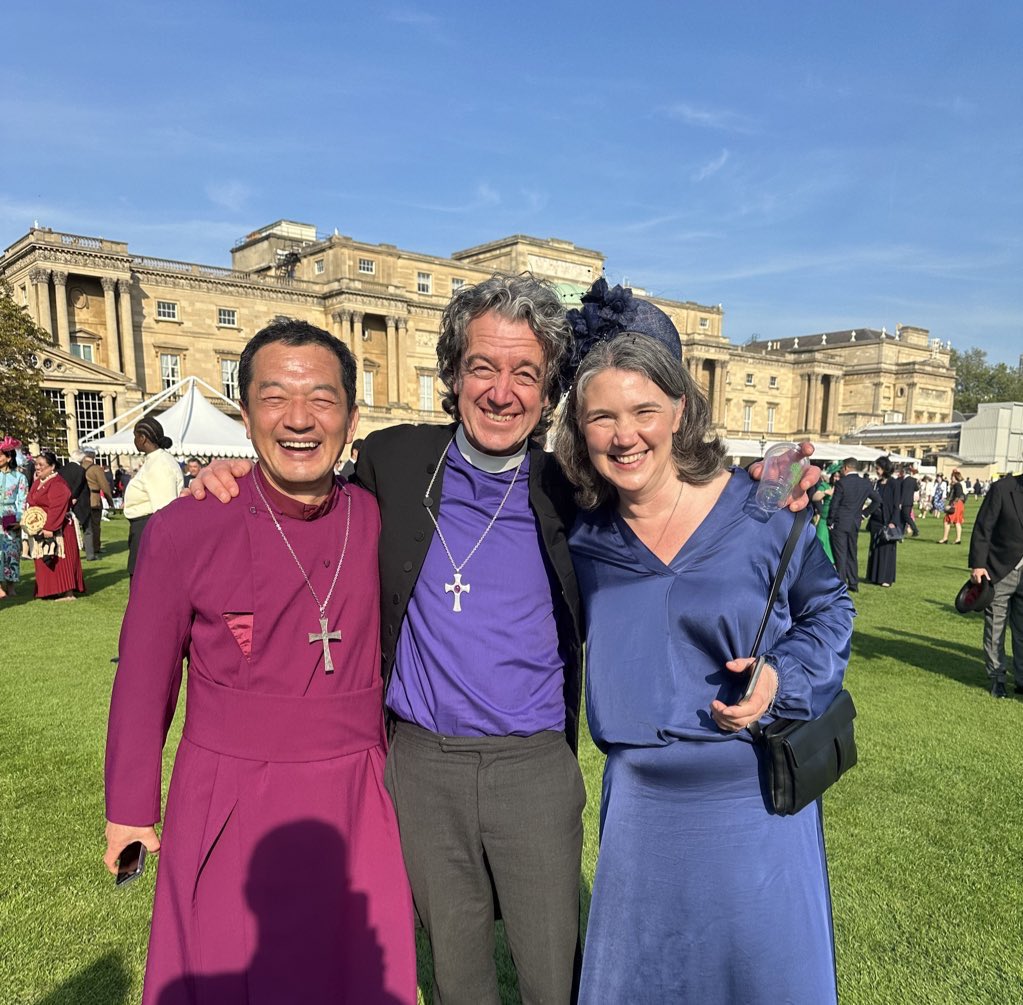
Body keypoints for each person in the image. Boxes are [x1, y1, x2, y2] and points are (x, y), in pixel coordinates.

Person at [189, 275, 821, 1004]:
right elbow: (305, 491)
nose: (501, 390)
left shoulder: (572, 492)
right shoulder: (391, 462)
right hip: (423, 765)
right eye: (483, 367)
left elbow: (671, 498)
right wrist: (232, 471)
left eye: (525, 372)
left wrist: (760, 491)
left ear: (548, 392)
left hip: (532, 767)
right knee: (457, 972)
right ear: (452, 376)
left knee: (554, 971)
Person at [103, 319, 416, 1005]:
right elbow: (143, 674)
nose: (298, 419)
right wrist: (130, 806)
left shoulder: (380, 515)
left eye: (321, 399)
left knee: (355, 975)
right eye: (274, 398)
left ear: (352, 416)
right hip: (228, 788)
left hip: (360, 793)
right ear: (245, 416)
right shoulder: (187, 523)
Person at [554, 312, 853, 1004]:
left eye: (642, 410)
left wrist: (782, 675)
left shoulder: (763, 507)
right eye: (601, 416)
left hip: (753, 801)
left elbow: (829, 609)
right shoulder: (580, 538)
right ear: (579, 429)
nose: (623, 434)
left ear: (679, 409)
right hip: (641, 812)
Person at [968, 471, 1023, 698]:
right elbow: (983, 528)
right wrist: (978, 565)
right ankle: (997, 677)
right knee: (995, 627)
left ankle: (1021, 679)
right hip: (998, 570)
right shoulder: (1003, 488)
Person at [122, 417, 184, 576]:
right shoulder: (154, 461)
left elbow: (165, 507)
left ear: (142, 438)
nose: (134, 440)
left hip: (150, 526)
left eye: (135, 436)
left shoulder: (160, 464)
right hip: (143, 526)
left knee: (145, 578)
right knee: (139, 577)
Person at [24, 450, 86, 600]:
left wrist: (50, 527)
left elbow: (58, 505)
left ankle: (67, 592)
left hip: (59, 527)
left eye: (41, 465)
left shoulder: (58, 483)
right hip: (39, 524)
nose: (37, 468)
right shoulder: (38, 482)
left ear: (52, 467)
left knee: (61, 559)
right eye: (36, 464)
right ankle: (49, 590)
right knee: (43, 557)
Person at [827, 458, 878, 593]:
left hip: (840, 522)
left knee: (840, 554)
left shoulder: (842, 483)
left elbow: (835, 504)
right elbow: (878, 500)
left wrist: (830, 521)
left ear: (846, 468)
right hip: (854, 522)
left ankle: (842, 583)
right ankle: (854, 582)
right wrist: (863, 514)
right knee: (851, 552)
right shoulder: (865, 483)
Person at [865, 455, 904, 587]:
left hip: (888, 521)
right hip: (876, 520)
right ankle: (873, 576)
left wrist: (893, 521)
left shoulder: (894, 484)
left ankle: (885, 578)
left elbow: (896, 505)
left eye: (878, 468)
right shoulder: (877, 483)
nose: (876, 470)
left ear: (884, 468)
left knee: (887, 549)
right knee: (874, 548)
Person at [0, 437, 28, 599]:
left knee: (12, 551)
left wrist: (19, 519)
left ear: (9, 457)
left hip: (11, 514)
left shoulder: (19, 477)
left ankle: (11, 585)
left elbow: (23, 499)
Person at [58, 449, 95, 560]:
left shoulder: (62, 470)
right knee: (87, 529)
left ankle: (70, 553)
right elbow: (78, 485)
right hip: (80, 501)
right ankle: (90, 554)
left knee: (68, 528)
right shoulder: (80, 470)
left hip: (65, 501)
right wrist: (73, 497)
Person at [81, 449, 109, 557]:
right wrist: (109, 499)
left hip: (82, 498)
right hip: (94, 498)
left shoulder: (80, 467)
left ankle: (85, 545)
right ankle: (95, 547)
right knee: (95, 524)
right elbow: (104, 485)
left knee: (85, 524)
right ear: (94, 457)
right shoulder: (96, 469)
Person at [940, 469, 967, 544]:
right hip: (959, 504)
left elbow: (957, 496)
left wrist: (951, 505)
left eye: (952, 477)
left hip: (957, 504)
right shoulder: (957, 485)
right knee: (957, 521)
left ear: (955, 478)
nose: (951, 478)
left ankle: (945, 538)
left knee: (947, 520)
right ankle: (958, 539)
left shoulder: (957, 485)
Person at [901, 464, 919, 537]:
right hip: (910, 501)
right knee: (904, 516)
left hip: (904, 501)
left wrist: (900, 502)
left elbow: (902, 492)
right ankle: (903, 530)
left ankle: (915, 529)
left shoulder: (903, 481)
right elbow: (916, 489)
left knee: (906, 516)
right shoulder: (913, 480)